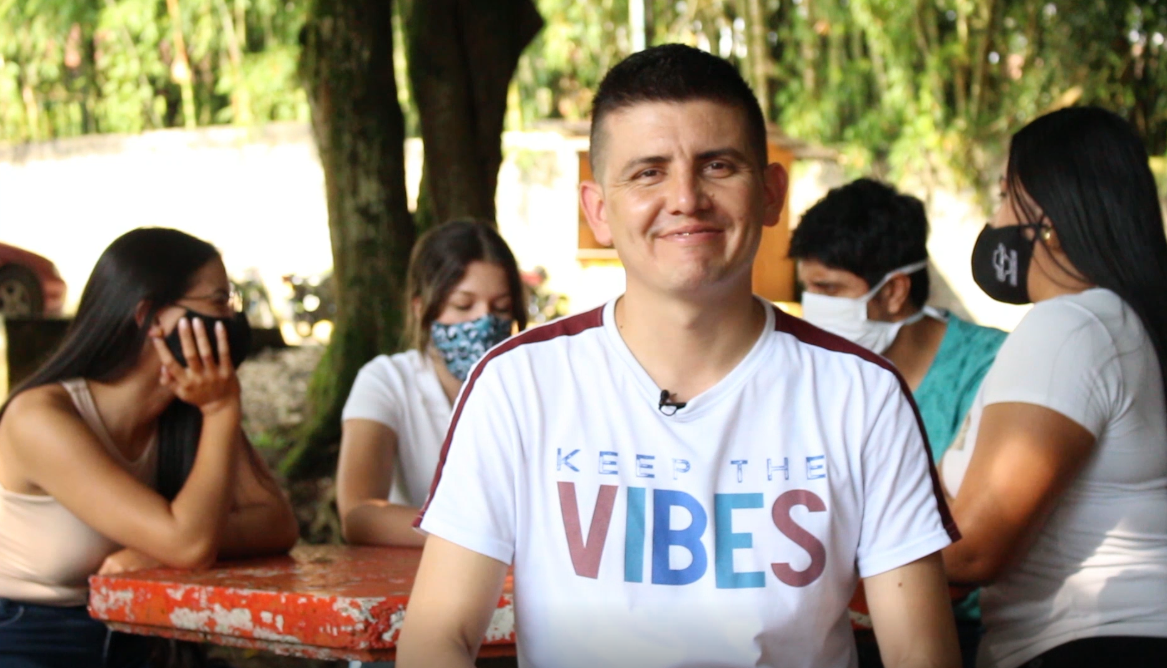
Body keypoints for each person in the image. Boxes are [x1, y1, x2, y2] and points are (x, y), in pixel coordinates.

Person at [397, 44, 960, 668]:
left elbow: (920, 652)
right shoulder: (518, 384)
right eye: (648, 172)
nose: (686, 197)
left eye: (718, 166)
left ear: (771, 193)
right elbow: (437, 636)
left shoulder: (863, 394)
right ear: (597, 211)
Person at [0, 227, 299, 668]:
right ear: (150, 317)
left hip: (137, 631)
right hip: (28, 638)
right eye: (219, 303)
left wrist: (148, 553)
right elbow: (187, 545)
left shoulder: (189, 403)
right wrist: (220, 410)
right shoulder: (40, 418)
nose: (233, 320)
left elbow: (276, 523)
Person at [939, 106, 1167, 668]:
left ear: (1052, 222)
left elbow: (971, 550)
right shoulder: (1126, 324)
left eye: (1004, 196)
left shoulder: (1070, 327)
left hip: (1090, 645)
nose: (994, 219)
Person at [790, 179, 1007, 666]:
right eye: (807, 288)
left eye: (828, 289)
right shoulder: (814, 375)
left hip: (965, 631)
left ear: (894, 292)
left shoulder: (992, 370)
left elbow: (976, 543)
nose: (812, 306)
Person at [336, 220, 527, 548]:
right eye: (463, 305)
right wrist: (480, 536)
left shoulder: (531, 388)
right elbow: (359, 514)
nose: (483, 322)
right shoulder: (386, 382)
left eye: (500, 308)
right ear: (421, 307)